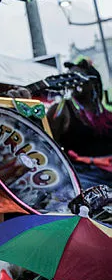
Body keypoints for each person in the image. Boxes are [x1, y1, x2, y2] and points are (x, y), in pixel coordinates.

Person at [47, 58, 112, 189]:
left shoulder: (105, 111)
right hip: (85, 177)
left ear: (93, 81)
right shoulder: (61, 110)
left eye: (77, 76)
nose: (72, 81)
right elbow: (50, 147)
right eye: (69, 77)